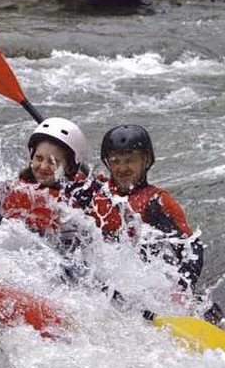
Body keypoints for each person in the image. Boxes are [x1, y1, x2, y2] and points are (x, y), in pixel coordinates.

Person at [82, 124, 204, 291]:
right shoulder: (94, 192)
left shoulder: (158, 202)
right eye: (115, 161)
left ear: (145, 161)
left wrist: (181, 288)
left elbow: (191, 249)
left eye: (130, 161)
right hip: (106, 280)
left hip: (149, 284)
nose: (122, 168)